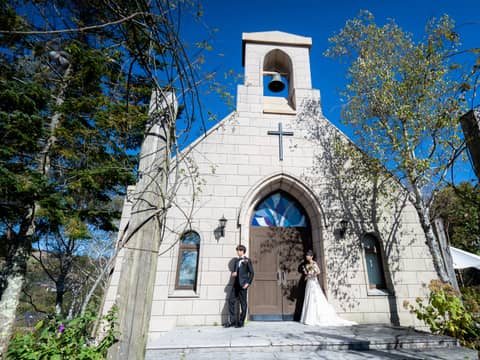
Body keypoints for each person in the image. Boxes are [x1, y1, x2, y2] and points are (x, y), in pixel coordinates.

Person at [300, 250, 356, 326]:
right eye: (306, 255)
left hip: (313, 281)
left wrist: (312, 275)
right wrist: (307, 275)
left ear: (311, 256)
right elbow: (307, 273)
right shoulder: (306, 265)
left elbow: (318, 272)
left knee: (314, 297)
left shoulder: (314, 263)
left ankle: (315, 318)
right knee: (308, 297)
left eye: (308, 255)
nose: (306, 256)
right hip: (309, 282)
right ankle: (308, 318)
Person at [225, 244, 254, 328]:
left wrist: (248, 283)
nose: (237, 252)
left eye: (238, 250)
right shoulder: (236, 261)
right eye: (237, 250)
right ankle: (232, 321)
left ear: (242, 251)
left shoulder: (247, 260)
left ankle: (241, 322)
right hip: (235, 285)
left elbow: (252, 273)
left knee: (243, 303)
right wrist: (233, 274)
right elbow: (235, 272)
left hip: (243, 285)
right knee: (230, 301)